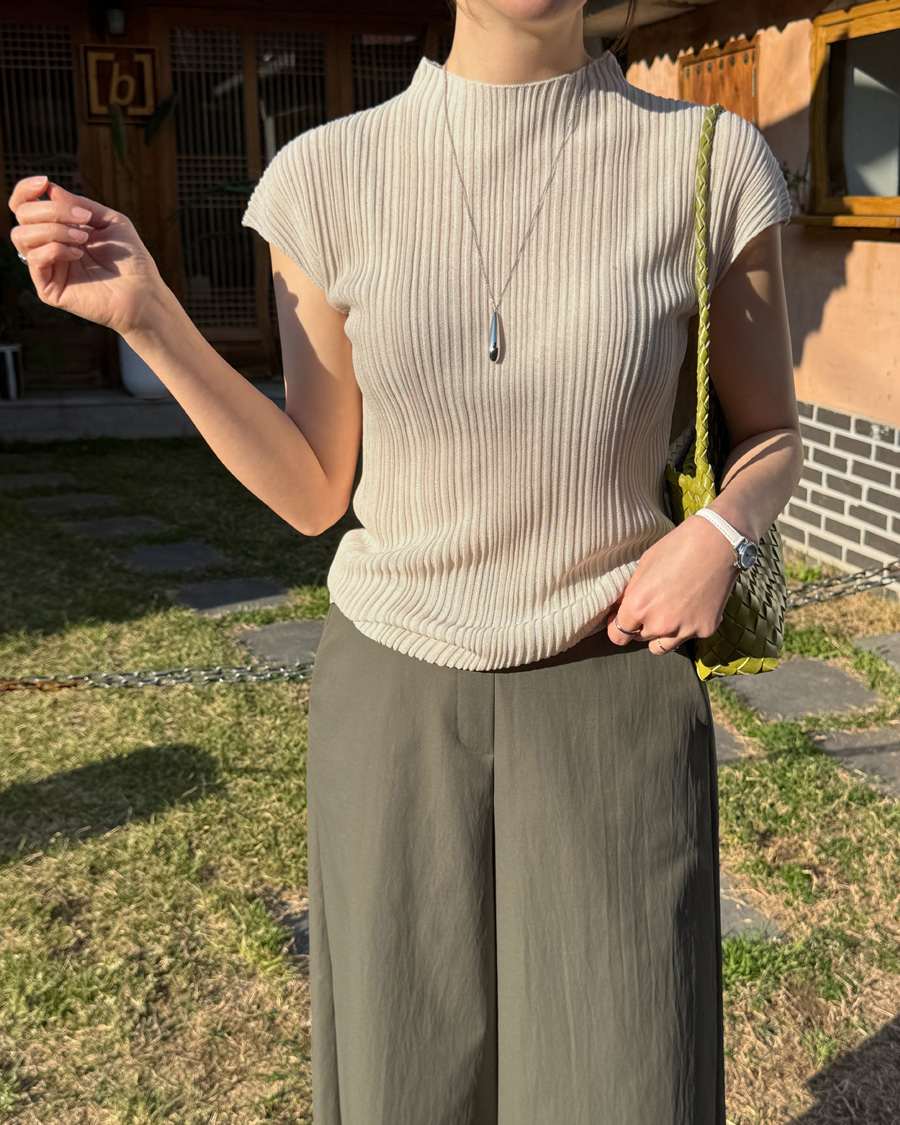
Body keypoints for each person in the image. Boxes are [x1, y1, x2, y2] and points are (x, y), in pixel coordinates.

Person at [7, 0, 802, 1119]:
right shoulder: (325, 176)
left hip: (615, 687)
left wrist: (719, 531)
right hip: (393, 699)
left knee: (627, 1071)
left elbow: (770, 434)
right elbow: (311, 490)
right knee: (404, 1079)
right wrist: (150, 320)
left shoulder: (709, 164)